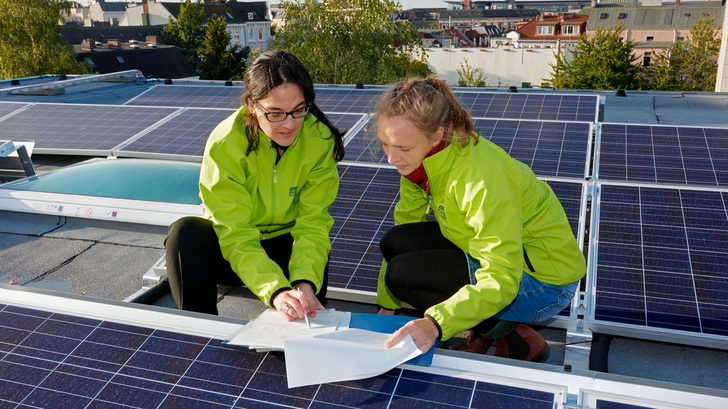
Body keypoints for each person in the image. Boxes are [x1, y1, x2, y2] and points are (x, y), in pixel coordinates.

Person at [375, 76, 586, 362]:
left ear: (437, 135)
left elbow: (503, 277)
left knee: (403, 274)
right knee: (394, 243)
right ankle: (483, 321)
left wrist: (436, 323)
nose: (391, 158)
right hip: (498, 256)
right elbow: (404, 226)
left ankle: (508, 336)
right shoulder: (420, 162)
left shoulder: (480, 179)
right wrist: (386, 308)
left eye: (402, 148)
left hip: (542, 282)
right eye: (385, 144)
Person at [164, 50, 345, 322]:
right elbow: (236, 234)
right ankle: (201, 333)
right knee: (184, 234)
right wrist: (275, 290)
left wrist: (304, 283)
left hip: (287, 246)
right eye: (275, 113)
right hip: (232, 248)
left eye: (298, 110)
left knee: (310, 270)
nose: (290, 124)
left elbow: (313, 225)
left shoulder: (320, 140)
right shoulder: (225, 144)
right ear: (252, 106)